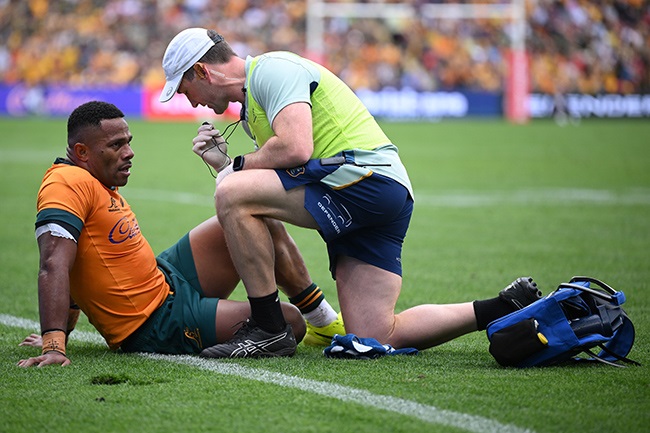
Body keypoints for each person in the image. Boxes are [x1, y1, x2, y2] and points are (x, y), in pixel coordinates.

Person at [158, 28, 544, 358]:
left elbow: (295, 149)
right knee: (376, 335)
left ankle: (268, 326)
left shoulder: (272, 70)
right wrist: (225, 168)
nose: (191, 102)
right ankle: (502, 306)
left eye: (185, 89)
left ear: (202, 70)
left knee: (233, 193)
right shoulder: (252, 106)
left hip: (364, 183)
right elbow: (261, 188)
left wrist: (236, 169)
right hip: (380, 192)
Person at [16, 100, 343, 368]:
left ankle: (324, 320)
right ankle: (305, 320)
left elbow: (81, 262)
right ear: (82, 152)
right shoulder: (65, 183)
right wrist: (54, 342)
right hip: (153, 322)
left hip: (164, 277)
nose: (129, 153)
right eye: (116, 146)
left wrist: (224, 165)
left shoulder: (91, 179)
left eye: (128, 142)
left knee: (249, 211)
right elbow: (55, 263)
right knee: (288, 324)